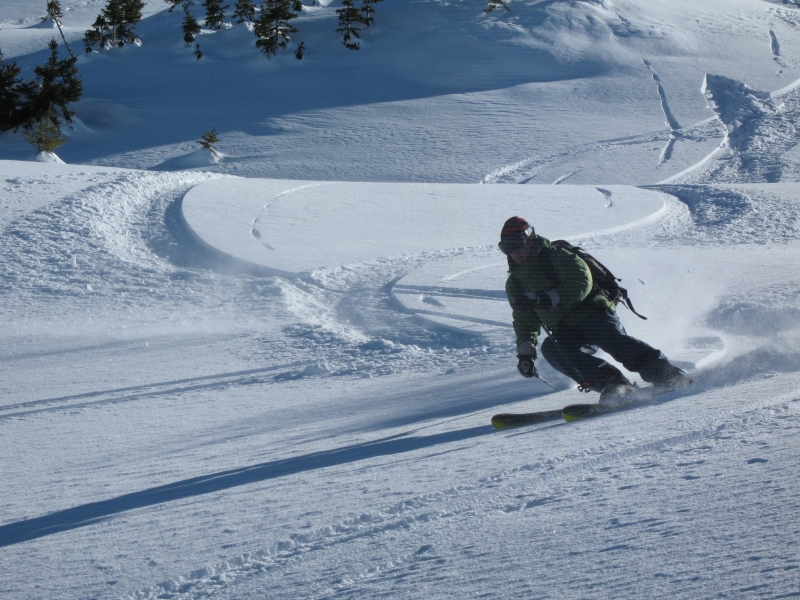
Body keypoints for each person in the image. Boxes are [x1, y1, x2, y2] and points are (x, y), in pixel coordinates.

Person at [499, 216, 690, 402]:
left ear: (531, 238)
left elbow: (581, 282)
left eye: (518, 243)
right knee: (553, 348)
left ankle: (667, 374)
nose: (515, 251)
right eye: (507, 247)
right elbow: (524, 319)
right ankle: (615, 384)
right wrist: (525, 353)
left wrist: (546, 298)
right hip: (564, 327)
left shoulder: (557, 256)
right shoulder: (515, 283)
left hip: (592, 311)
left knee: (610, 339)